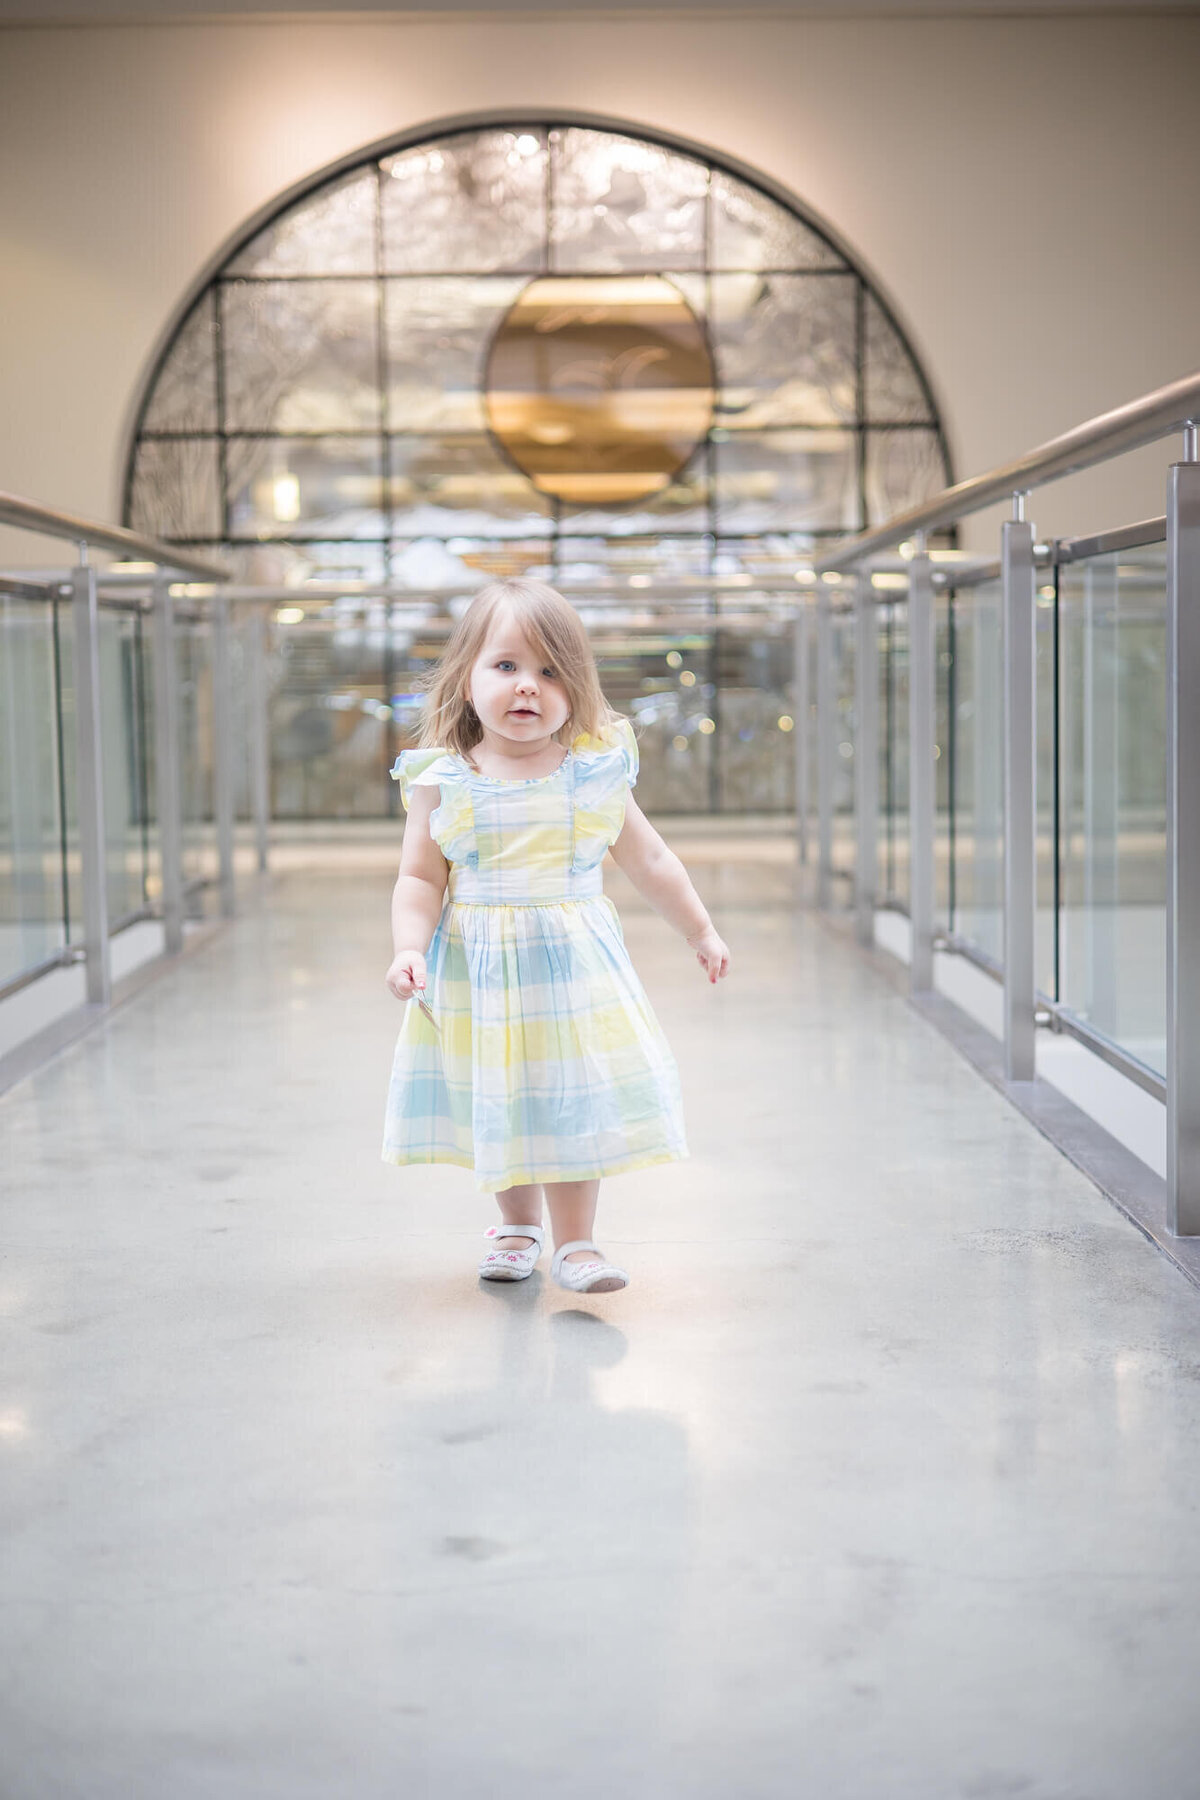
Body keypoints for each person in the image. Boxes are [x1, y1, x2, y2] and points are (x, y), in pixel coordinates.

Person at [382, 577, 731, 1295]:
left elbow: (652, 860)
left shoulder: (593, 775)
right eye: (505, 666)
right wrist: (408, 947)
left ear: (577, 689)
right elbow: (420, 878)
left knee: (572, 1096)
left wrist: (699, 928)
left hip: (572, 974)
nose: (527, 688)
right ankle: (517, 1226)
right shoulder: (444, 779)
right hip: (481, 973)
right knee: (502, 1092)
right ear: (467, 676)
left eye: (550, 673)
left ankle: (578, 1242)